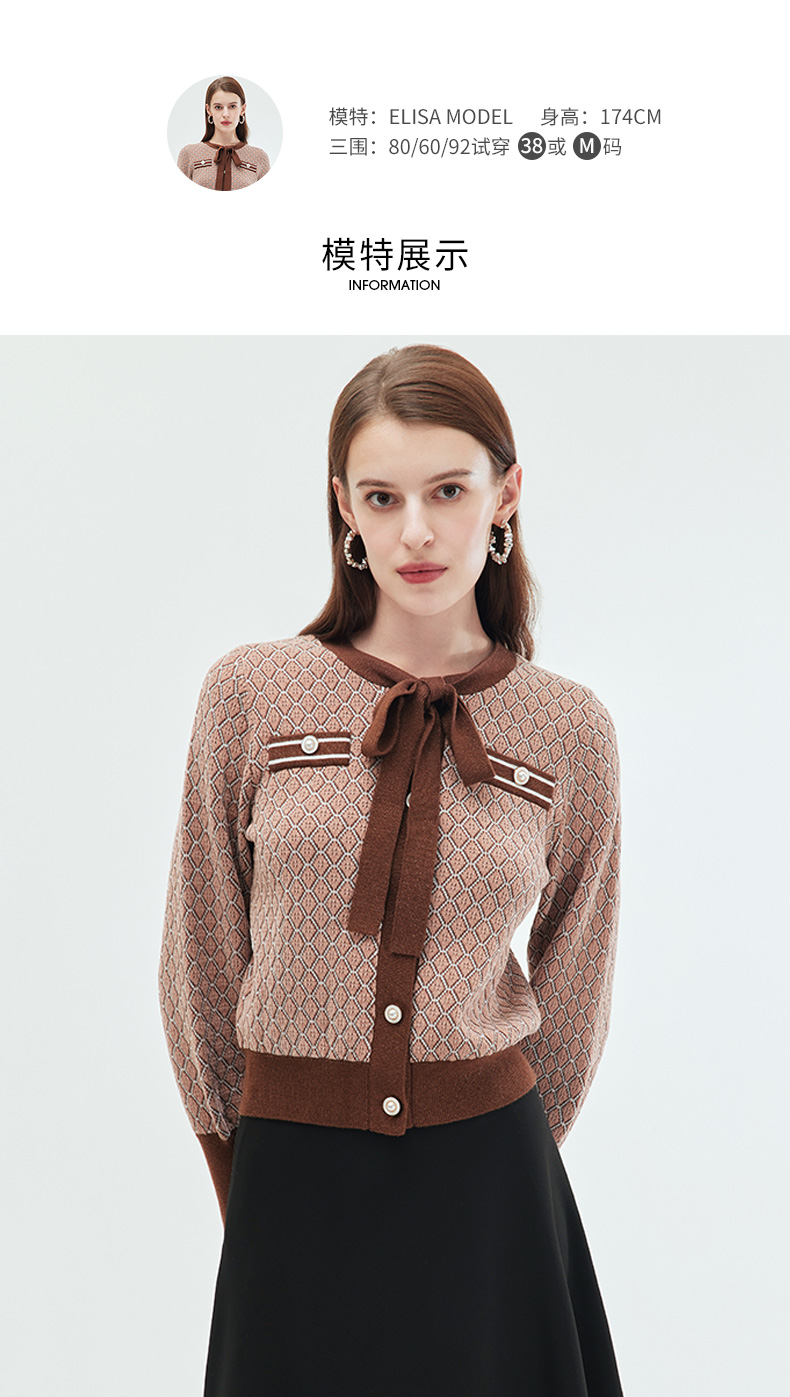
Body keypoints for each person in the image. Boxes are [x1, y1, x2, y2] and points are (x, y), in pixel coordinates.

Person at [158, 344, 625, 1396]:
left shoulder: (570, 730)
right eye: (383, 496)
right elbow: (201, 954)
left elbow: (577, 979)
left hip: (489, 1186)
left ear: (506, 495)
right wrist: (246, 1158)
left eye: (448, 490)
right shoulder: (249, 694)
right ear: (344, 507)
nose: (416, 530)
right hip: (289, 1172)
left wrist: (503, 1166)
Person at [176, 76, 270, 190]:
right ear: (209, 110)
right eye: (218, 107)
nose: (225, 114)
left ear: (243, 109)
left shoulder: (259, 157)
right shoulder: (189, 154)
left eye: (232, 106)